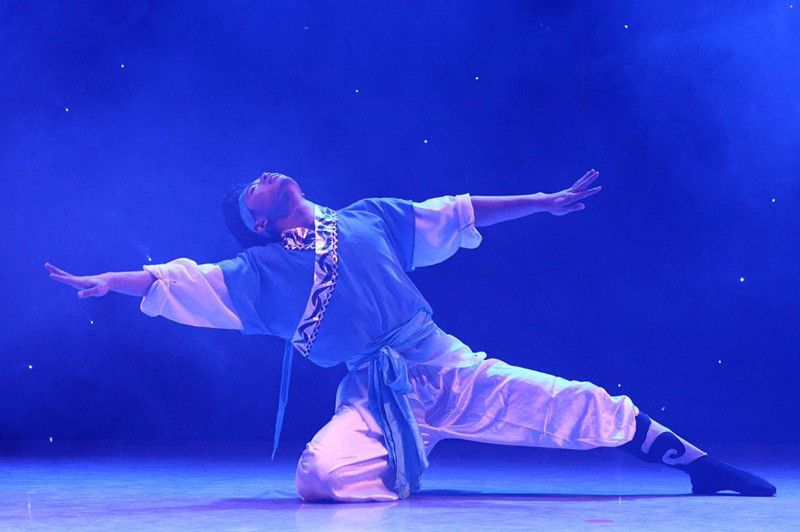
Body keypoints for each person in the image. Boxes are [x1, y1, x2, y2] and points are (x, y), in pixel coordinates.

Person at [46, 170, 776, 502]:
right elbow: (182, 280)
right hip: (374, 392)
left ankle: (697, 463)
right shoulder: (256, 273)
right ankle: (404, 455)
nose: (263, 176)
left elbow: (455, 213)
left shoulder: (366, 218)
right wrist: (113, 280)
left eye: (261, 177)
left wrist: (541, 201)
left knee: (571, 401)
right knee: (319, 476)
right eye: (251, 191)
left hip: (443, 365)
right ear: (260, 222)